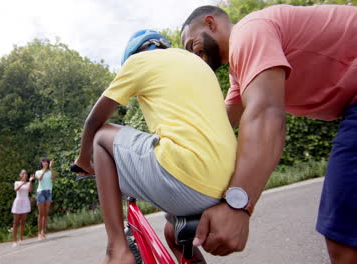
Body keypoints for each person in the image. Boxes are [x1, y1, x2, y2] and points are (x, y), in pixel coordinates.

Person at [181, 4, 357, 263]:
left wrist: (238, 204)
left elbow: (265, 114)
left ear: (210, 23)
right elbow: (220, 129)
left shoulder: (249, 31)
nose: (192, 56)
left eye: (189, 44)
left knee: (343, 237)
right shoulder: (239, 75)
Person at [72, 29, 237, 264]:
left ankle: (116, 249)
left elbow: (93, 121)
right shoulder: (193, 60)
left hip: (188, 179)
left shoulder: (139, 62)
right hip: (227, 186)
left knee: (100, 136)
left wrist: (83, 160)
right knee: (173, 234)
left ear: (132, 55)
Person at [11, 169, 34, 247]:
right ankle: (14, 240)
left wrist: (30, 181)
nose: (25, 175)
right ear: (20, 175)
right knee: (15, 222)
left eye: (26, 174)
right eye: (23, 174)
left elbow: (30, 190)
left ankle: (21, 239)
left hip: (25, 202)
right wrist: (22, 184)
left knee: (23, 222)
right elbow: (16, 189)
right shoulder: (16, 182)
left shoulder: (28, 183)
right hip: (18, 202)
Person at [35, 158, 56, 240]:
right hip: (41, 192)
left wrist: (50, 167)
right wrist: (44, 170)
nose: (45, 163)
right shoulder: (38, 172)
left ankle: (43, 232)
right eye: (43, 162)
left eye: (47, 162)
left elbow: (54, 177)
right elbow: (39, 178)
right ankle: (39, 233)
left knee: (46, 214)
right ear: (41, 163)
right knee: (41, 214)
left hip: (49, 192)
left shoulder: (50, 171)